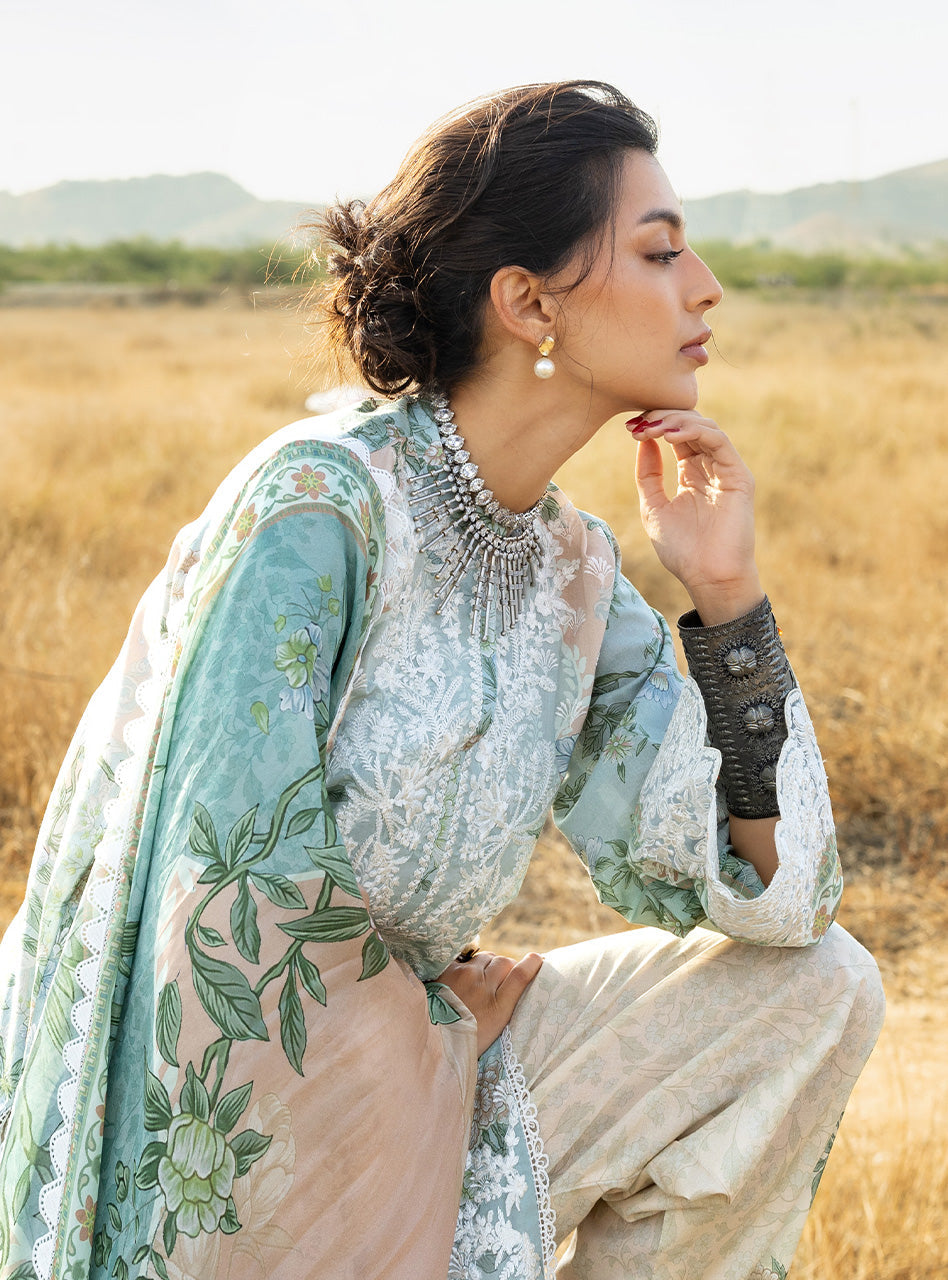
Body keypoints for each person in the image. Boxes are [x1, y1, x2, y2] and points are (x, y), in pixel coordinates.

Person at [0, 81, 883, 1280]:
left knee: (819, 988)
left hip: (429, 1045)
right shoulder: (318, 509)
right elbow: (220, 905)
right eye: (660, 249)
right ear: (529, 302)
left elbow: (783, 893)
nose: (706, 285)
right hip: (221, 1126)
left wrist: (727, 596)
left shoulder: (569, 567)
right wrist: (419, 1026)